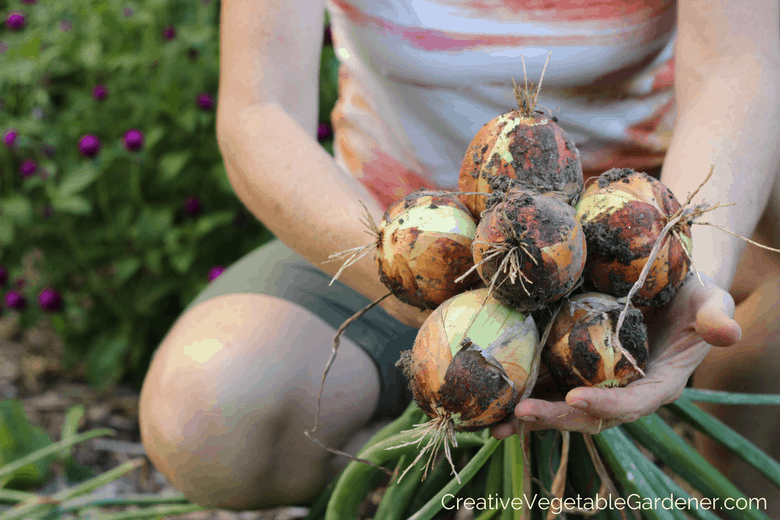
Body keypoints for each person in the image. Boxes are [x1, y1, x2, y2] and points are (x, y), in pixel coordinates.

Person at [138, 0, 780, 513]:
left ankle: (729, 451)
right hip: (387, 231)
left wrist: (690, 268)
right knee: (209, 416)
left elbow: (739, 62)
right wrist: (418, 282)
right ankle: (427, 462)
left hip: (630, 256)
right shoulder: (398, 248)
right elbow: (258, 110)